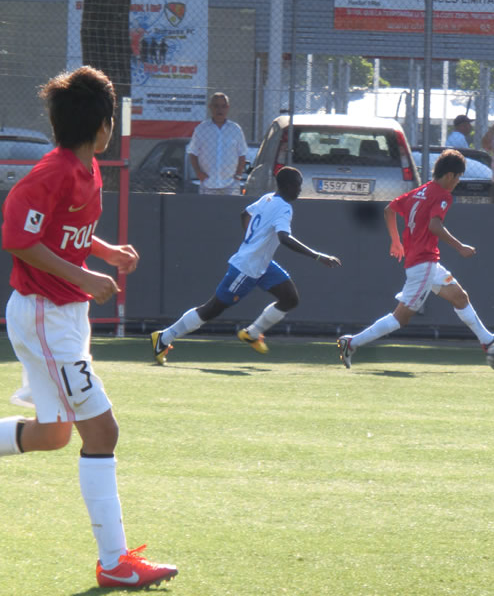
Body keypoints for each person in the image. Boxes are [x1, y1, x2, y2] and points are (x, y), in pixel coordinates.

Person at [0, 66, 177, 589]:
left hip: (62, 317)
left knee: (53, 434)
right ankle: (114, 563)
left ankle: (115, 561)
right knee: (102, 430)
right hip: (45, 315)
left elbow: (65, 230)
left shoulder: (86, 168)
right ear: (103, 125)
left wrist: (104, 252)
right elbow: (18, 238)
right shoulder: (52, 172)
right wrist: (83, 275)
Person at [337, 150, 494, 369]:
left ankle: (488, 341)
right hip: (423, 264)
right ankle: (351, 342)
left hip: (427, 263)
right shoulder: (442, 195)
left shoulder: (419, 192)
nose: (457, 182)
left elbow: (389, 210)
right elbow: (434, 225)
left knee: (460, 297)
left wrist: (395, 241)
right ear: (449, 175)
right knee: (401, 318)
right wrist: (460, 247)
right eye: (458, 177)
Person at [151, 166, 342, 364]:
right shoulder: (284, 207)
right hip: (247, 268)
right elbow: (284, 238)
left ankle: (252, 333)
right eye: (297, 186)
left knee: (290, 298)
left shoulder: (268, 198)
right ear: (287, 186)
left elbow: (245, 213)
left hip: (262, 264)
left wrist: (253, 242)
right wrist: (317, 256)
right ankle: (164, 337)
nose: (300, 190)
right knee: (212, 309)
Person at [188, 92, 248, 195]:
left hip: (230, 185)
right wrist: (198, 172)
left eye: (223, 106)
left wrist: (238, 175)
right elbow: (192, 153)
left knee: (231, 206)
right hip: (208, 183)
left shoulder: (235, 129)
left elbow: (242, 154)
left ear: (227, 108)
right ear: (210, 107)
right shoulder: (201, 129)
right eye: (216, 106)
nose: (220, 110)